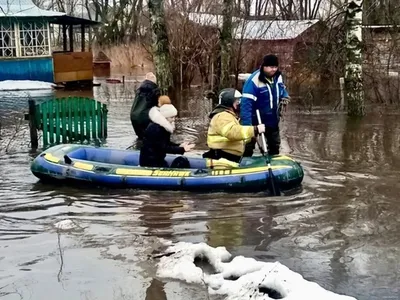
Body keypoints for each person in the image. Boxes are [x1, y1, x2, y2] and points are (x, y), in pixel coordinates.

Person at [240, 54, 290, 156]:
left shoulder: (278, 77)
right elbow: (246, 104)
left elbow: (281, 88)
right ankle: (245, 163)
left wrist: (284, 96)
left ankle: (273, 163)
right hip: (255, 119)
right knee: (248, 146)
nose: (274, 70)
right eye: (271, 67)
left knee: (275, 145)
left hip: (272, 118)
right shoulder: (254, 81)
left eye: (275, 67)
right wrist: (247, 126)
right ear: (264, 66)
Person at [203, 88, 265, 164]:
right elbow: (232, 132)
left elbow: (232, 139)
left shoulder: (228, 116)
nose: (239, 103)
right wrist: (255, 129)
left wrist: (249, 138)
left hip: (228, 157)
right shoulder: (223, 116)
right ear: (229, 102)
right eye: (237, 101)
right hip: (222, 158)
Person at [139, 103, 195, 168]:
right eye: (172, 117)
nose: (174, 119)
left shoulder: (161, 127)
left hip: (157, 160)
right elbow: (164, 148)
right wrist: (182, 149)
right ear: (165, 117)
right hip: (151, 163)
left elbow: (165, 143)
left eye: (174, 117)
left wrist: (179, 146)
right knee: (182, 162)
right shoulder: (156, 129)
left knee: (182, 160)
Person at [130, 72, 161, 144]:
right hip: (145, 117)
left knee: (141, 138)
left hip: (134, 116)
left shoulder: (139, 89)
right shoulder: (155, 90)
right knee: (150, 139)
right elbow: (157, 106)